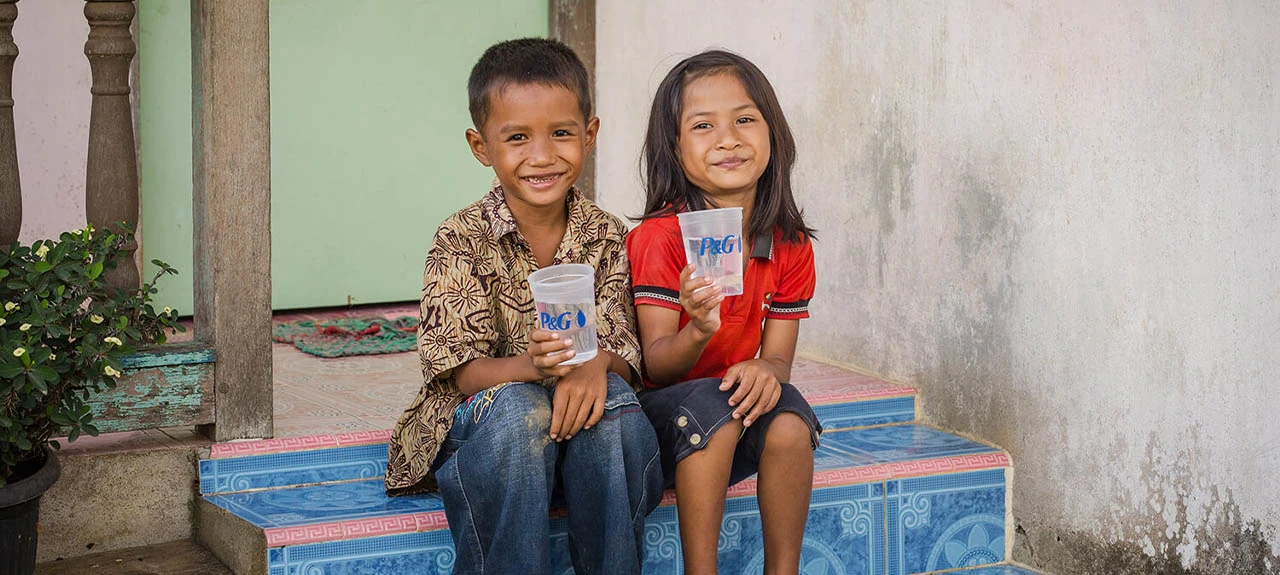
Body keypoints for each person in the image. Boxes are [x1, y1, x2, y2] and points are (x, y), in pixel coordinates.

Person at [385, 38, 662, 575]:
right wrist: (536, 367)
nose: (541, 156)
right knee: (519, 410)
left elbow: (626, 354)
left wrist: (598, 363)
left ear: (589, 135)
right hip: (487, 432)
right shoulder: (460, 238)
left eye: (561, 133)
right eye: (517, 138)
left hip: (580, 431)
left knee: (616, 407)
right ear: (480, 145)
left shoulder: (606, 235)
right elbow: (463, 373)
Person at [626, 49, 821, 575]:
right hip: (659, 426)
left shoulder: (789, 243)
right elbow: (656, 365)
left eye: (745, 120)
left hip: (729, 411)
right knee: (714, 406)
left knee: (789, 418)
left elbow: (778, 360)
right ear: (676, 148)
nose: (728, 139)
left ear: (773, 133)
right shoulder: (661, 238)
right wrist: (697, 329)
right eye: (703, 126)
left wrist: (765, 369)